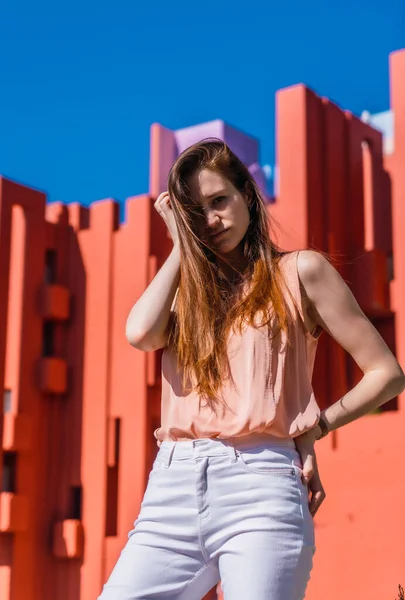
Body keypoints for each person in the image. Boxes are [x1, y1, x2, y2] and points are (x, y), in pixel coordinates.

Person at [98, 140, 405, 600]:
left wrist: (315, 428)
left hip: (262, 484)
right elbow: (140, 333)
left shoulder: (301, 272)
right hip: (173, 484)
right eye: (194, 212)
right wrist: (183, 244)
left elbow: (387, 373)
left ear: (247, 193)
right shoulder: (186, 296)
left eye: (219, 201)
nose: (211, 220)